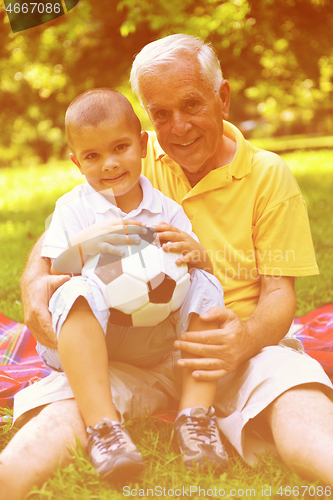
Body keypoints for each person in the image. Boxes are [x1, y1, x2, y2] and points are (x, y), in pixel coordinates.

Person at [1, 34, 333, 499]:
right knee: (52, 425)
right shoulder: (128, 160)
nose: (178, 127)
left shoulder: (267, 175)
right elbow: (61, 237)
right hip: (127, 351)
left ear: (223, 98)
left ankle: (204, 420)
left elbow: (280, 295)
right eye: (161, 113)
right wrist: (36, 284)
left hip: (228, 347)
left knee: (301, 415)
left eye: (192, 104)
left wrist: (245, 340)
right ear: (147, 121)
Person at [36, 87, 227, 480]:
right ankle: (104, 429)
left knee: (206, 283)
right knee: (75, 290)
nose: (109, 164)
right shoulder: (74, 208)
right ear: (76, 162)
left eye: (120, 147)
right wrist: (83, 247)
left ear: (142, 145)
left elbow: (190, 271)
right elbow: (54, 273)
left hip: (151, 340)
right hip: (84, 341)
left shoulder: (165, 209)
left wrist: (198, 252)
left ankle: (195, 418)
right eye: (92, 156)